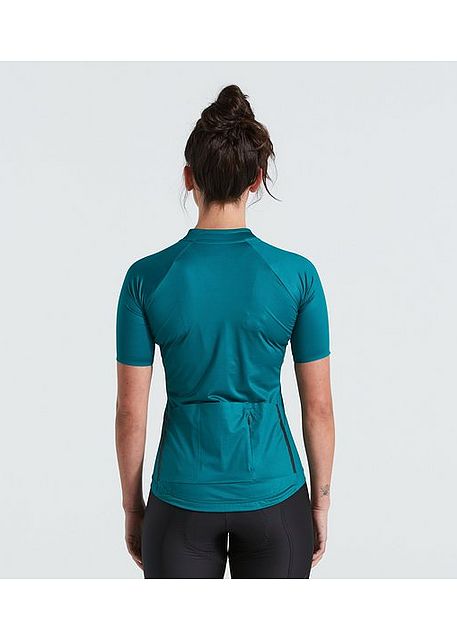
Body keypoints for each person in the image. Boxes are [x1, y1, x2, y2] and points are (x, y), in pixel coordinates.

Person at [114, 85, 336, 579]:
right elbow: (319, 407)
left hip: (179, 502)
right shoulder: (297, 276)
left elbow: (130, 412)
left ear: (189, 177)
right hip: (276, 498)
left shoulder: (146, 278)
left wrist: (133, 507)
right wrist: (320, 503)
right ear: (256, 179)